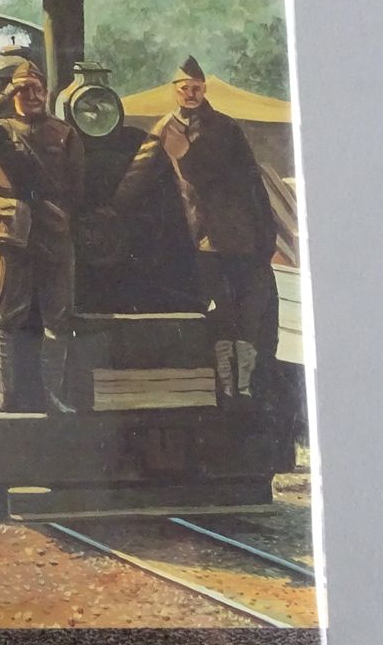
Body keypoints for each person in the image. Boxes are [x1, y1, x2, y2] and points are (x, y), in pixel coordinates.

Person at [110, 56, 279, 404]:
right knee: (220, 311)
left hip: (241, 234)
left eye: (196, 88)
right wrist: (112, 209)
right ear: (175, 91)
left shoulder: (226, 128)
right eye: (184, 88)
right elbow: (138, 173)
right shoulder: (165, 128)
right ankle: (227, 387)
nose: (190, 94)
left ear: (204, 90)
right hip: (203, 238)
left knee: (250, 313)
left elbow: (247, 179)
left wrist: (265, 232)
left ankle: (245, 386)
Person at [0, 64, 84, 413]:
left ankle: (52, 395)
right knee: (4, 316)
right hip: (8, 230)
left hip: (52, 228)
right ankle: (6, 393)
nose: (31, 96)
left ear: (47, 93)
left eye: (37, 89)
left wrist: (64, 215)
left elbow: (77, 186)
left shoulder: (64, 133)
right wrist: (4, 94)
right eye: (22, 90)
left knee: (58, 316)